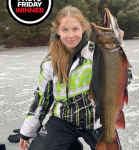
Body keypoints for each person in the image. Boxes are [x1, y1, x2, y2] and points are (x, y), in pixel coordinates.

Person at [19, 5, 129, 150]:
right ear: (58, 31)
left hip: (97, 120)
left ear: (83, 28)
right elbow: (42, 98)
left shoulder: (96, 52)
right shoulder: (49, 63)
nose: (71, 35)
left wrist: (119, 51)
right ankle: (72, 146)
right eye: (65, 30)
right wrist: (27, 131)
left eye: (75, 29)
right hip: (63, 121)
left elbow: (124, 80)